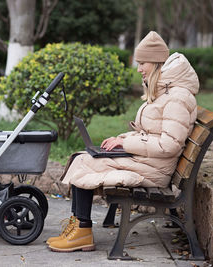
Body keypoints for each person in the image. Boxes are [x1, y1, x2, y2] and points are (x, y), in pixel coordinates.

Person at [47, 31, 199, 252]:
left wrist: (126, 146)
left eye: (142, 63)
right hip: (149, 161)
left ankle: (81, 231)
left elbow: (169, 145)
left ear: (156, 63)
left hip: (155, 169)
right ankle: (79, 227)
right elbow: (150, 133)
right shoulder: (165, 92)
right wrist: (121, 140)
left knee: (84, 162)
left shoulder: (177, 97)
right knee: (84, 158)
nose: (138, 69)